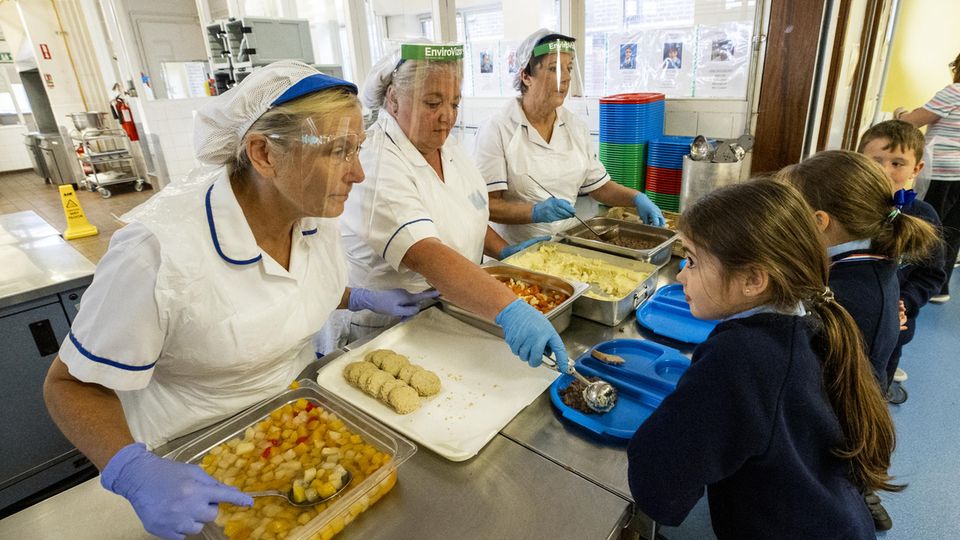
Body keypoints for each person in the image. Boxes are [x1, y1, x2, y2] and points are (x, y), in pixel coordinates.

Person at [42, 62, 434, 540]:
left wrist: (356, 297)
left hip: (293, 425)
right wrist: (130, 470)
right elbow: (68, 386)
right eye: (338, 151)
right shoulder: (157, 254)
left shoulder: (313, 215)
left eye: (357, 149)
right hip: (192, 464)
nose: (357, 172)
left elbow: (275, 292)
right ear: (264, 154)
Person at [627, 178, 899, 539]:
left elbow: (658, 485)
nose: (680, 275)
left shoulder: (740, 358)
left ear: (754, 280)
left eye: (691, 261)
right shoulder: (812, 316)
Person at [340, 41, 569, 372]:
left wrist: (505, 253)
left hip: (456, 309)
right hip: (392, 330)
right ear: (393, 100)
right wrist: (509, 308)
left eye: (454, 103)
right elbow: (426, 253)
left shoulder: (450, 148)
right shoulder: (377, 163)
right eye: (432, 103)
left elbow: (469, 211)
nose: (446, 116)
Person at [780, 151, 938, 531]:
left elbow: (802, 371)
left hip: (832, 428)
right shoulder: (874, 260)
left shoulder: (846, 295)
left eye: (790, 219)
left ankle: (857, 489)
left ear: (819, 222)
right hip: (856, 401)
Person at [473, 29, 664, 246]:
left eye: (569, 68)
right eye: (554, 69)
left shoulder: (575, 127)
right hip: (516, 254)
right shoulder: (498, 129)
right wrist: (534, 212)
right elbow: (487, 204)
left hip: (567, 247)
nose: (565, 78)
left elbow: (599, 187)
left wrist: (636, 198)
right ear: (526, 76)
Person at [858, 120, 946, 403]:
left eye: (897, 163)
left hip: (894, 325)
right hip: (846, 319)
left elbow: (932, 275)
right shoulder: (846, 209)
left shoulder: (924, 216)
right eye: (876, 161)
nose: (885, 170)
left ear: (916, 169)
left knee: (878, 382)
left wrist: (905, 302)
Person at [894, 51, 960, 304]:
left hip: (942, 173)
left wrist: (900, 113)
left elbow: (912, 121)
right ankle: (940, 287)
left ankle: (916, 283)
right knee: (952, 232)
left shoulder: (954, 92)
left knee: (927, 226)